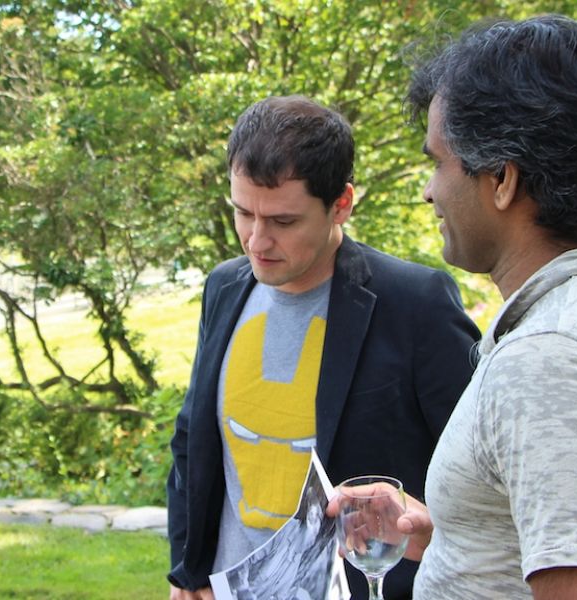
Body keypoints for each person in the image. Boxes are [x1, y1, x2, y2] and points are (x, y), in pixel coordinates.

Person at [330, 13, 577, 600]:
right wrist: (455, 530)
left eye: (438, 162)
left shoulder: (552, 359)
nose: (430, 191)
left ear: (503, 180)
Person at [167, 95, 481, 600]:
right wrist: (188, 573)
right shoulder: (223, 287)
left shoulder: (415, 304)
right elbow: (191, 441)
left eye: (283, 222)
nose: (255, 241)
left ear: (342, 204)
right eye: (243, 213)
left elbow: (481, 473)